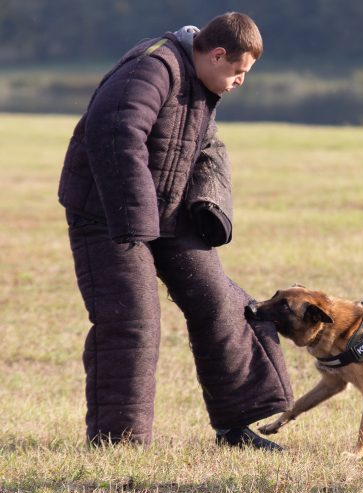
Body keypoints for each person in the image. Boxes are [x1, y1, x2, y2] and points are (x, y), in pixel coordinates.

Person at [58, 12, 293, 450]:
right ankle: (118, 443)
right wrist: (135, 219)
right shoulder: (152, 67)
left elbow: (206, 145)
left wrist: (208, 206)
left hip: (167, 214)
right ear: (217, 54)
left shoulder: (202, 82)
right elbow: (114, 131)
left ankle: (235, 426)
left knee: (222, 304)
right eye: (239, 72)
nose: (242, 82)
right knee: (132, 321)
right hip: (108, 216)